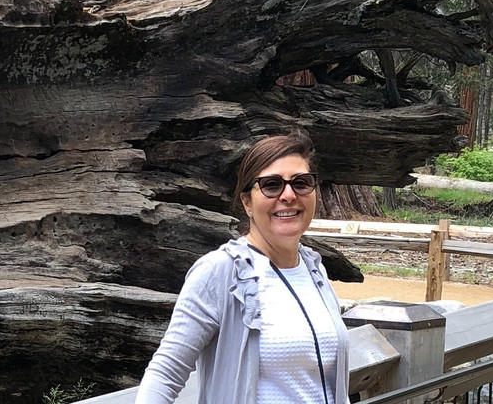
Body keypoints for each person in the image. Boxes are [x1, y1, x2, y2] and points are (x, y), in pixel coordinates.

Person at [134, 133, 349, 404]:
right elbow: (164, 374)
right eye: (271, 185)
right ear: (247, 202)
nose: (288, 195)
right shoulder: (220, 272)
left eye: (301, 183)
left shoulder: (314, 269)